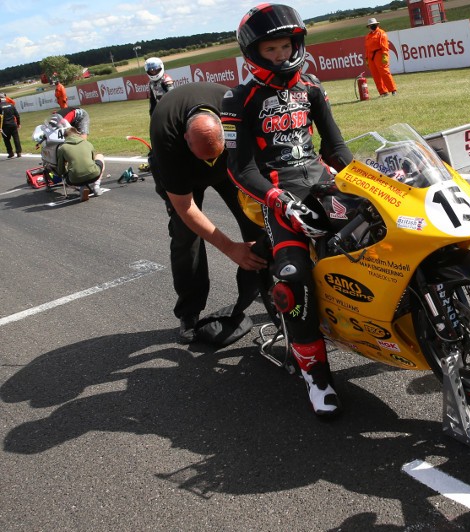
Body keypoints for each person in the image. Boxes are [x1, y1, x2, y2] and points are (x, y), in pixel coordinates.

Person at [223, 3, 353, 417]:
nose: (280, 56)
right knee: (294, 280)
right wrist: (277, 199)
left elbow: (335, 147)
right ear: (253, 53)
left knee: (379, 239)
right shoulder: (237, 99)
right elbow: (238, 168)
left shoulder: (312, 86)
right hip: (277, 199)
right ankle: (316, 376)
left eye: (286, 46)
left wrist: (370, 180)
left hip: (323, 184)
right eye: (271, 50)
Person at [149, 81, 270, 344]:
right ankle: (189, 313)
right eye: (203, 156)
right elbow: (186, 207)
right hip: (183, 172)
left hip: (230, 165)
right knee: (186, 237)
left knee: (258, 221)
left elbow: (260, 162)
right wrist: (230, 248)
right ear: (185, 139)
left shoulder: (236, 108)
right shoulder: (166, 132)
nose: (209, 164)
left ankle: (266, 283)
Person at [55, 126, 104, 202]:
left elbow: (61, 170)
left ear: (65, 137)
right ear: (77, 133)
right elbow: (93, 160)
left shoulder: (62, 148)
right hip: (94, 175)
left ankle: (82, 186)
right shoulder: (87, 143)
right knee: (100, 156)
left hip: (75, 180)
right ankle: (96, 187)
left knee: (74, 173)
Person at [364, 17, 398, 97]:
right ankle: (383, 92)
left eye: (373, 25)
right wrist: (367, 58)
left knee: (385, 72)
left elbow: (384, 46)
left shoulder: (381, 33)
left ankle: (393, 90)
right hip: (371, 57)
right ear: (369, 27)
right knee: (375, 75)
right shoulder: (368, 36)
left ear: (376, 24)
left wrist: (385, 55)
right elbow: (367, 48)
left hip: (379, 54)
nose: (372, 26)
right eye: (371, 25)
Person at [0, 94, 22, 159]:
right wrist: (18, 124)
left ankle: (10, 153)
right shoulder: (11, 105)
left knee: (6, 140)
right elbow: (17, 115)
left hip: (4, 126)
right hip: (13, 124)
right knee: (16, 138)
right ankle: (19, 152)